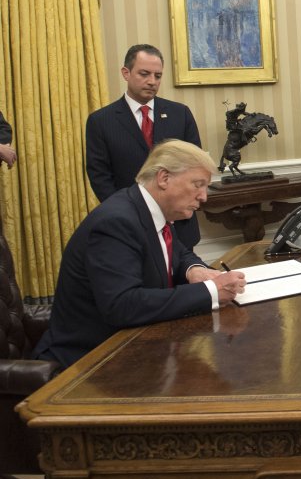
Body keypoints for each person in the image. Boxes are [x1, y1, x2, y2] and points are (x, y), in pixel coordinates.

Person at [33, 140, 246, 369]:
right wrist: (210, 291)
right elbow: (123, 305)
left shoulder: (150, 211)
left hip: (136, 349)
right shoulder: (117, 222)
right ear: (164, 178)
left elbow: (178, 252)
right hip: (88, 363)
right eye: (197, 185)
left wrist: (194, 270)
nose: (204, 197)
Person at [86, 44, 203, 247]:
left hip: (179, 225)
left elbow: (196, 166)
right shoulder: (101, 121)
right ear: (126, 73)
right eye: (144, 74)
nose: (152, 81)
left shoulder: (180, 114)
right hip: (130, 226)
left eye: (158, 76)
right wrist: (127, 213)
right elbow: (100, 176)